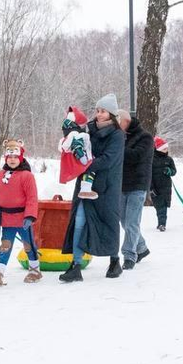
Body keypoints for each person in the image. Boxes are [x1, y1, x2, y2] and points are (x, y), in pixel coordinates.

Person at [60, 94, 125, 283]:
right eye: (97, 110)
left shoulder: (117, 135)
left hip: (107, 186)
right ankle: (76, 265)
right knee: (79, 220)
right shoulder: (88, 129)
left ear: (111, 114)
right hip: (85, 184)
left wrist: (85, 163)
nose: (98, 114)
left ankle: (114, 261)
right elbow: (74, 137)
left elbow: (109, 159)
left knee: (109, 222)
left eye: (103, 111)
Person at [0, 139, 42, 285]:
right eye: (10, 157)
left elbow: (32, 197)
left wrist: (30, 215)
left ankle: (35, 270)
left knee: (28, 245)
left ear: (20, 157)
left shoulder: (27, 176)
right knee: (5, 245)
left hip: (23, 219)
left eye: (15, 157)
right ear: (6, 158)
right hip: (7, 219)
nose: (12, 160)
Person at [118, 107, 154, 268]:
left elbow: (135, 156)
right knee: (124, 222)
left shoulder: (145, 138)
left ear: (125, 121)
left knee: (132, 222)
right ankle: (141, 247)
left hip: (138, 185)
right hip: (121, 184)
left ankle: (129, 256)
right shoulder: (120, 136)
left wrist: (117, 147)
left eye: (117, 123)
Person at [59, 106, 94, 197]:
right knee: (90, 170)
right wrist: (82, 156)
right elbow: (77, 146)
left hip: (70, 158)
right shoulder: (77, 134)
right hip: (81, 158)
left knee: (87, 171)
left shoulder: (67, 133)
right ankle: (86, 189)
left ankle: (85, 189)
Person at [150, 137, 176, 232]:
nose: (166, 150)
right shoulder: (151, 159)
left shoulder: (169, 160)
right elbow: (149, 174)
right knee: (158, 206)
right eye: (164, 148)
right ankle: (160, 222)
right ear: (158, 149)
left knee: (163, 206)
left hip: (166, 187)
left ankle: (162, 224)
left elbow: (174, 171)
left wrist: (169, 171)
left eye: (166, 148)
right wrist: (151, 188)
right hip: (155, 187)